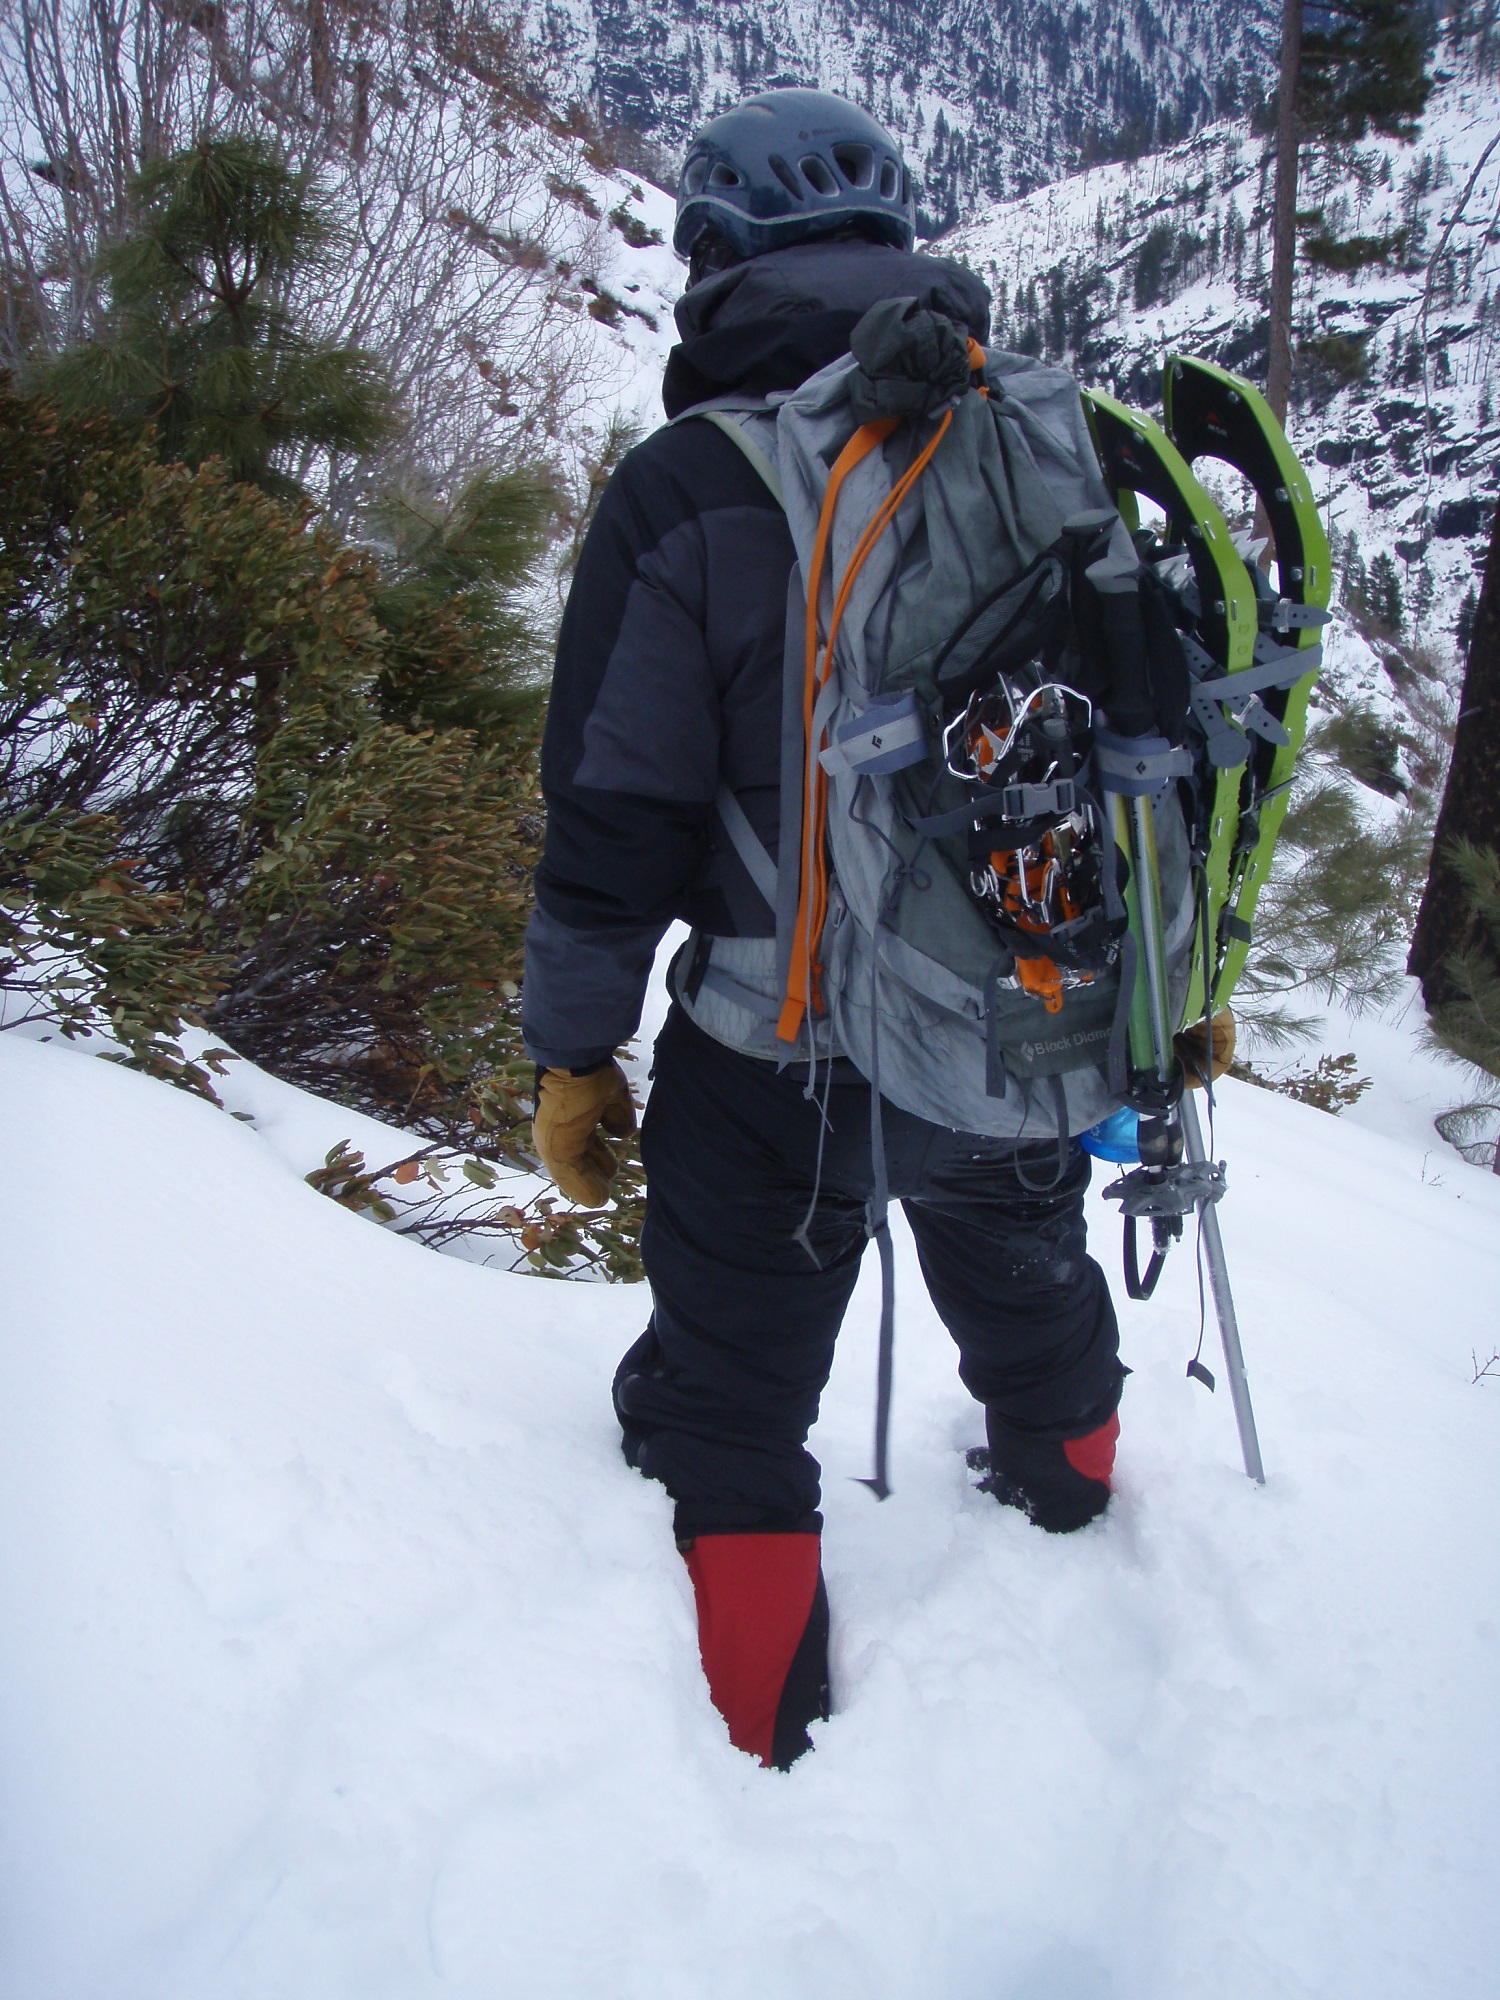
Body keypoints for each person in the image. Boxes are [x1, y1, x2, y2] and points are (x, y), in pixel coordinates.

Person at [522, 89, 1128, 1773]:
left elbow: (614, 820)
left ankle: (761, 1760)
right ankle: (1077, 1510)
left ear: (713, 257)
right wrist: (1147, 990)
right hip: (1016, 991)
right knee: (1024, 1281)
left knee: (730, 1386)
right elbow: (1132, 743)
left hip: (771, 1034)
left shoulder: (687, 490)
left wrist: (574, 1045)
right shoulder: (1045, 435)